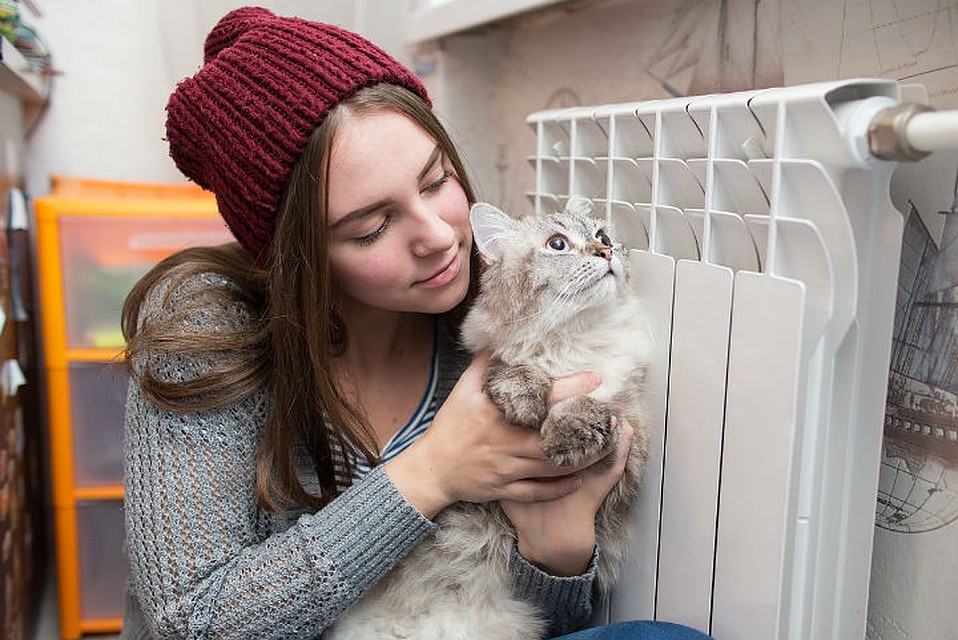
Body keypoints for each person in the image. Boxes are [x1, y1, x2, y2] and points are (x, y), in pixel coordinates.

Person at [120, 6, 713, 640]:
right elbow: (192, 625)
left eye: (436, 182)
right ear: (297, 257)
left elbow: (545, 618)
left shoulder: (497, 311)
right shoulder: (206, 329)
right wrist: (432, 470)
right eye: (372, 227)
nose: (439, 238)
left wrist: (557, 549)